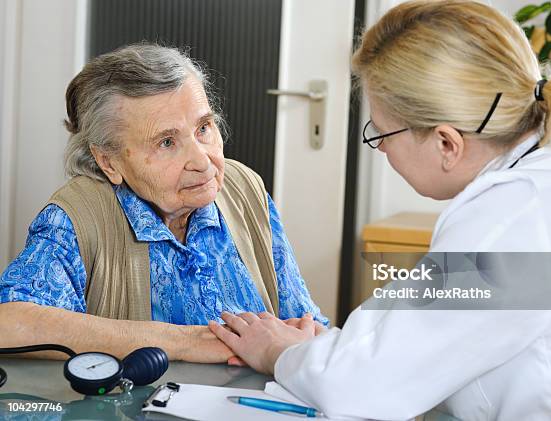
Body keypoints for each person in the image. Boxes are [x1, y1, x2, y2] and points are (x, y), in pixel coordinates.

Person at [208, 1, 551, 420]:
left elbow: (364, 383)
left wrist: (277, 351)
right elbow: (415, 334)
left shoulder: (512, 224)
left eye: (382, 132)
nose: (380, 146)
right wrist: (324, 351)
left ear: (447, 144)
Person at [0, 44, 327, 363]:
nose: (202, 161)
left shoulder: (244, 189)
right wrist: (185, 342)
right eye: (167, 142)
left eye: (203, 128)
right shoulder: (77, 216)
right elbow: (10, 322)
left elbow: (306, 323)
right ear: (109, 162)